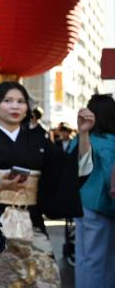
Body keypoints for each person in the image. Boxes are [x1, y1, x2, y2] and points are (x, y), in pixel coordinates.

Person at [0, 81, 92, 287]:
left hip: (32, 219)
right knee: (5, 281)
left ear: (28, 107)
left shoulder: (39, 141)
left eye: (21, 101)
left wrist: (84, 133)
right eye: (8, 101)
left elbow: (69, 168)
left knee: (44, 278)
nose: (15, 106)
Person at [69, 94, 115, 288]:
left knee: (84, 257)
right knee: (102, 260)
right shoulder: (110, 142)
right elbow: (109, 177)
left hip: (81, 203)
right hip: (103, 205)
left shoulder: (79, 138)